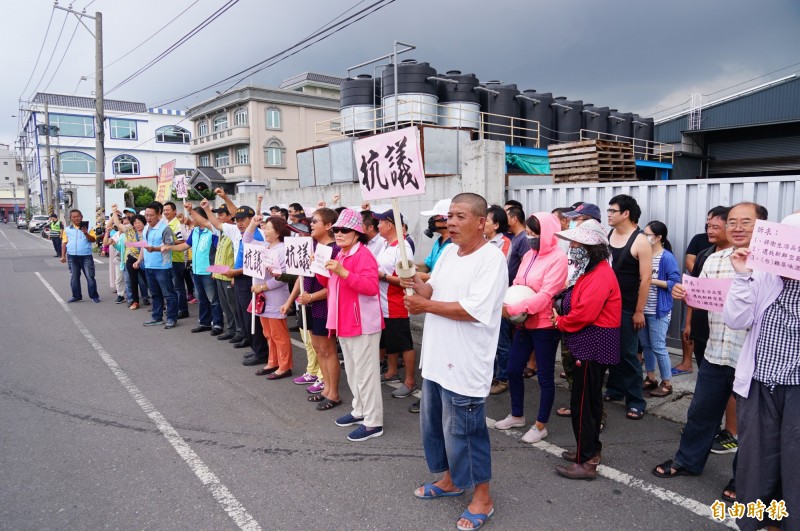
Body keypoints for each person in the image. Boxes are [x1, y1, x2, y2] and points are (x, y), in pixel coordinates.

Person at [653, 202, 767, 507]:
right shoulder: (713, 259)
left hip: (755, 360)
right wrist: (683, 294)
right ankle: (688, 460)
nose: (738, 227)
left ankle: (744, 480)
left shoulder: (772, 266)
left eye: (747, 222)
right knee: (701, 412)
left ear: (764, 228)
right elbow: (700, 296)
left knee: (750, 425)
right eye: (732, 222)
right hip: (716, 351)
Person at [403, 193, 507, 531]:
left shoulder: (491, 259)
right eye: (449, 215)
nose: (451, 221)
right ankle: (450, 480)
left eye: (460, 216)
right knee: (437, 427)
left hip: (465, 364)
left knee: (467, 431)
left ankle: (483, 498)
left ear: (481, 222)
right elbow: (433, 289)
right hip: (436, 357)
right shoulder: (448, 252)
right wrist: (414, 282)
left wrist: (423, 306)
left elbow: (471, 310)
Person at [724, 212, 800, 531]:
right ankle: (756, 523)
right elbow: (737, 319)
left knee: (795, 466)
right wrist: (742, 275)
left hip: (796, 387)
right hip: (760, 383)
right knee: (755, 464)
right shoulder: (763, 273)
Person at [550, 220, 622, 480]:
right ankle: (587, 451)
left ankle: (586, 461)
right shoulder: (591, 270)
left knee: (584, 403)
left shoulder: (600, 274)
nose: (572, 247)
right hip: (589, 342)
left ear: (592, 248)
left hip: (592, 343)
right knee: (587, 401)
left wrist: (560, 321)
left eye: (577, 243)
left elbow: (584, 314)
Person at [497, 212, 568, 443]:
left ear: (547, 232)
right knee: (513, 368)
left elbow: (547, 295)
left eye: (534, 233)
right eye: (528, 233)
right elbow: (518, 282)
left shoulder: (558, 259)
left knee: (545, 376)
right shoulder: (529, 255)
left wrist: (515, 307)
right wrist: (510, 302)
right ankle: (517, 414)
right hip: (524, 321)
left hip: (545, 325)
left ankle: (540, 425)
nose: (530, 237)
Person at [318, 208, 384, 440]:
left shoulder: (363, 255)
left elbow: (370, 287)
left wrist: (343, 272)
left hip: (362, 323)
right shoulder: (342, 253)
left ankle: (373, 421)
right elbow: (332, 282)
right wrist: (318, 267)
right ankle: (360, 410)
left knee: (366, 373)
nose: (338, 233)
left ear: (357, 233)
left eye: (344, 230)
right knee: (354, 371)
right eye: (336, 229)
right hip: (345, 321)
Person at [199, 191, 269, 366]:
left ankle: (261, 352)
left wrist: (235, 273)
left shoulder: (258, 235)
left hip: (251, 278)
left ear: (253, 219)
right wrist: (207, 209)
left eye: (243, 220)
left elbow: (257, 263)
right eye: (237, 220)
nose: (239, 223)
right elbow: (216, 223)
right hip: (238, 277)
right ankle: (255, 348)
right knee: (243, 316)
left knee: (252, 317)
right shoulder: (236, 231)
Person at [285, 208, 341, 406]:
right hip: (308, 304)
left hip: (324, 306)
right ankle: (326, 387)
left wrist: (313, 296)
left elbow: (336, 286)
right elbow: (302, 276)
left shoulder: (335, 250)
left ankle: (333, 392)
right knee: (318, 348)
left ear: (328, 226)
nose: (311, 224)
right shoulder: (314, 246)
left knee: (328, 349)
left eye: (315, 221)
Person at [604, 194, 651, 420]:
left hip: (627, 307)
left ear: (626, 213)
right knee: (609, 350)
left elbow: (646, 279)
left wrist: (639, 311)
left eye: (613, 210)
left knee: (629, 354)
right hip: (605, 306)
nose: (609, 214)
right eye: (608, 210)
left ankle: (636, 400)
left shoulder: (640, 241)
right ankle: (614, 389)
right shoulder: (608, 235)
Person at [672, 206, 725, 375]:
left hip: (724, 329)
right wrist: (689, 324)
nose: (709, 230)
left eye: (715, 227)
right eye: (708, 226)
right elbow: (692, 293)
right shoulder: (704, 255)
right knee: (705, 370)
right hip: (701, 326)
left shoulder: (742, 258)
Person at [374, 209, 417, 399]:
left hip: (396, 302)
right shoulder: (386, 245)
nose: (377, 226)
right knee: (390, 340)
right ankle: (391, 372)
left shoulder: (403, 248)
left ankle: (410, 381)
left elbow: (406, 279)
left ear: (390, 225)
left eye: (380, 222)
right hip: (383, 302)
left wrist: (381, 276)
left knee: (404, 343)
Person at [245, 215, 294, 380]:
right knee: (268, 333)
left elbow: (283, 277)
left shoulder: (282, 249)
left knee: (279, 334)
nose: (264, 230)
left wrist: (263, 286)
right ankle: (273, 361)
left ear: (278, 231)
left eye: (267, 228)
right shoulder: (265, 246)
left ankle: (285, 366)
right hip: (262, 297)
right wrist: (253, 223)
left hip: (275, 297)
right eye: (264, 227)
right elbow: (247, 239)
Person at [163, 204, 223, 335]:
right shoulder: (194, 231)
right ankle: (204, 322)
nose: (191, 218)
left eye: (193, 215)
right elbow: (185, 245)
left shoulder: (212, 232)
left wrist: (215, 269)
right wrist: (170, 247)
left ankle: (218, 323)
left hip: (208, 271)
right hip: (196, 270)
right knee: (201, 298)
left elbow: (218, 252)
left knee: (213, 299)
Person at [639, 221, 681, 397]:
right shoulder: (643, 255)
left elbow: (675, 282)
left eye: (647, 234)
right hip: (643, 309)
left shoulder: (666, 257)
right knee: (646, 346)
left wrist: (651, 281)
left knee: (658, 346)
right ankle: (650, 378)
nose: (644, 237)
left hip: (659, 310)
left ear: (658, 238)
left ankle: (667, 383)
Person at [490, 204, 527, 396]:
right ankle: (494, 375)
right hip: (487, 300)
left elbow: (497, 270)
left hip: (501, 299)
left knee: (502, 342)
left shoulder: (505, 242)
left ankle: (503, 378)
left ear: (496, 224)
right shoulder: (484, 242)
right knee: (491, 341)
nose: (482, 224)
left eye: (486, 220)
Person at [136, 201, 178, 328]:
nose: (148, 218)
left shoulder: (165, 228)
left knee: (169, 294)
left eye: (151, 215)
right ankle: (157, 317)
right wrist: (139, 260)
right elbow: (144, 246)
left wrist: (155, 248)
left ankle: (171, 318)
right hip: (149, 266)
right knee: (155, 294)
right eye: (146, 215)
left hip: (162, 267)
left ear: (158, 214)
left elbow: (170, 246)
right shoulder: (146, 229)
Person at [210, 205, 243, 342]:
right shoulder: (222, 234)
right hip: (220, 275)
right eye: (217, 214)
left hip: (231, 275)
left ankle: (240, 331)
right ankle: (231, 329)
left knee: (234, 306)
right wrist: (215, 271)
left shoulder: (235, 233)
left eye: (222, 214)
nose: (219, 218)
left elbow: (236, 257)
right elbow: (220, 254)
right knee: (225, 306)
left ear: (230, 216)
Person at [60, 209, 100, 303]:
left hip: (86, 256)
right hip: (72, 257)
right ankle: (76, 296)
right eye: (74, 217)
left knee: (90, 277)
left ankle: (94, 296)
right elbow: (64, 242)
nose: (76, 218)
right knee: (74, 277)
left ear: (81, 217)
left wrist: (85, 233)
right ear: (70, 218)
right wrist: (63, 256)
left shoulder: (89, 227)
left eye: (78, 216)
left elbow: (93, 240)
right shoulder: (67, 229)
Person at [163, 202, 190, 320]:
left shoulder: (177, 224)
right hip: (168, 259)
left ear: (174, 211)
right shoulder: (165, 223)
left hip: (177, 259)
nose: (165, 212)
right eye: (164, 210)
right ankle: (173, 309)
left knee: (178, 287)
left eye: (168, 210)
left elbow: (184, 240)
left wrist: (170, 243)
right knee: (171, 287)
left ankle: (182, 310)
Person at [122, 213, 149, 310]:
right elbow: (127, 244)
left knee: (149, 281)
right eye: (135, 223)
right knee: (133, 281)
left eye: (139, 222)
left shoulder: (148, 231)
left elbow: (145, 245)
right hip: (132, 258)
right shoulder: (130, 231)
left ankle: (157, 301)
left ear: (144, 222)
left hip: (146, 259)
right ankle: (135, 301)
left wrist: (133, 243)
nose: (137, 224)